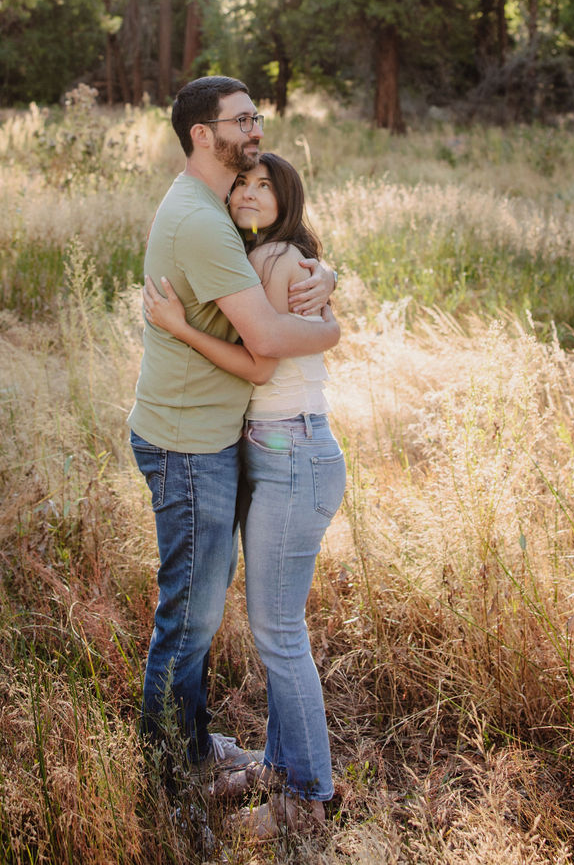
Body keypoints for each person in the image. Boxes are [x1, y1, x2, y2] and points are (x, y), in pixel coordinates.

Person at [129, 76, 339, 802]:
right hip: (189, 441)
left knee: (200, 604)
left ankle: (189, 741)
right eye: (241, 120)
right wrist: (336, 324)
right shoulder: (203, 220)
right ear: (200, 135)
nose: (255, 127)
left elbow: (283, 239)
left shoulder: (213, 206)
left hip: (212, 434)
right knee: (191, 613)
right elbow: (268, 341)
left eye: (256, 117)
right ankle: (172, 764)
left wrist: (322, 271)